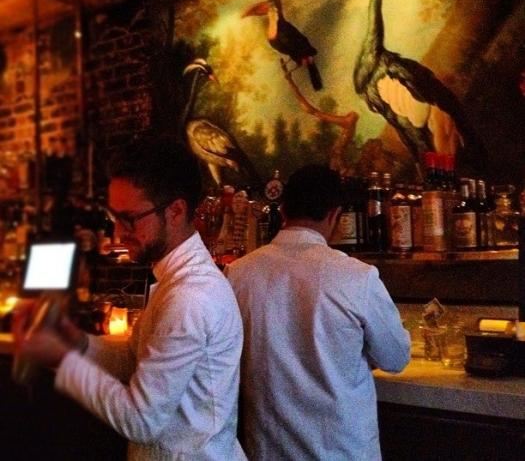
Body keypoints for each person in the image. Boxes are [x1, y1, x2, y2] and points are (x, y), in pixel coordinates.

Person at [14, 135, 246, 460]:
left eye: (129, 219)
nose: (119, 233)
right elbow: (134, 360)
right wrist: (78, 343)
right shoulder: (176, 280)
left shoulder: (189, 296)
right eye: (114, 217)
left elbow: (141, 420)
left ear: (176, 211)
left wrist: (62, 361)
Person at [224, 164, 410, 460]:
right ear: (335, 214)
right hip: (341, 451)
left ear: (283, 210)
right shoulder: (357, 277)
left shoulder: (238, 273)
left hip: (268, 450)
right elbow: (395, 357)